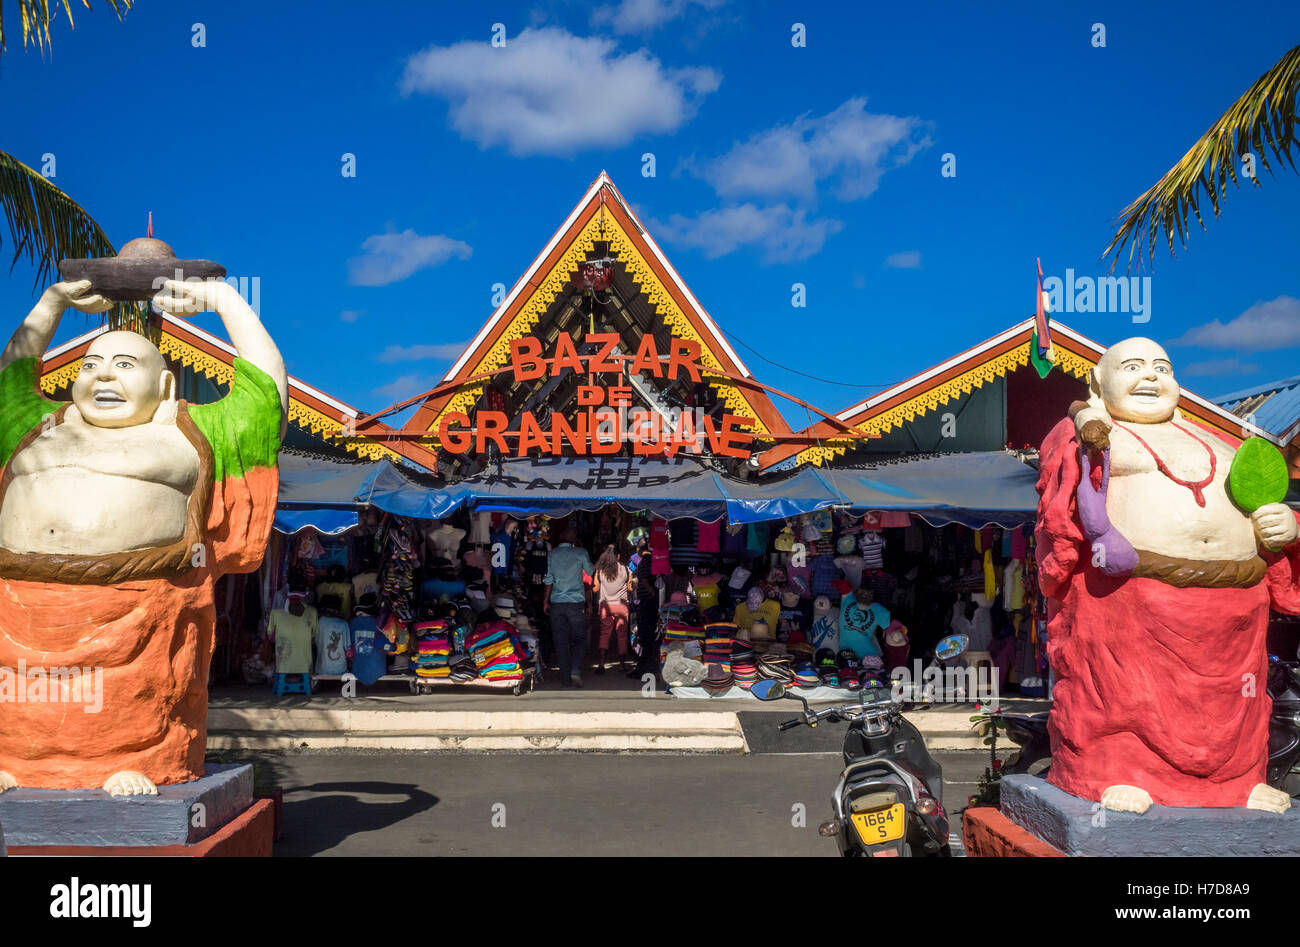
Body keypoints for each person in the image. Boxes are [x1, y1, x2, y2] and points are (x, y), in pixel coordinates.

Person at [543, 526, 594, 687]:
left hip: (557, 603)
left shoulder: (552, 554)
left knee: (560, 641)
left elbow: (549, 580)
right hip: (575, 604)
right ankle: (575, 669)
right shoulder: (581, 553)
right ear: (573, 538)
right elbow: (590, 571)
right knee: (579, 638)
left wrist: (545, 601)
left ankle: (565, 679)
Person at [593, 544, 631, 673]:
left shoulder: (600, 571)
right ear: (618, 556)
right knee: (622, 635)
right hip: (621, 606)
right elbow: (631, 588)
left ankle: (601, 664)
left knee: (604, 634)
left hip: (605, 606)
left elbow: (595, 588)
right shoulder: (626, 570)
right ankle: (622, 665)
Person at [631, 538, 660, 679]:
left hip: (647, 602)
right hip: (650, 601)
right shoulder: (653, 560)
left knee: (645, 635)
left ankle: (644, 667)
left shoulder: (645, 561)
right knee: (649, 635)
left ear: (638, 549)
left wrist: (652, 595)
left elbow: (644, 581)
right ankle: (648, 665)